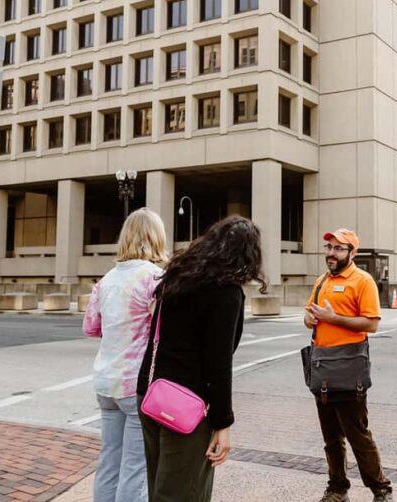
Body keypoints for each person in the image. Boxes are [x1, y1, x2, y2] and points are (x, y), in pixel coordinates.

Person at [136, 216, 266, 502]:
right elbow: (219, 363)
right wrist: (223, 424)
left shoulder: (178, 276)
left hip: (151, 391)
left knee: (160, 486)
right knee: (184, 493)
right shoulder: (226, 292)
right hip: (187, 403)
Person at [83, 208, 169, 502]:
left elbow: (91, 327)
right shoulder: (156, 278)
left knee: (109, 462)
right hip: (136, 384)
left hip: (106, 382)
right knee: (135, 469)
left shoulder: (106, 279)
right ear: (157, 238)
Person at [304, 228, 393, 502]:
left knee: (358, 434)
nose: (331, 253)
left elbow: (372, 323)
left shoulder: (362, 281)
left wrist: (333, 318)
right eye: (328, 247)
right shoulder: (321, 281)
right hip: (322, 368)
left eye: (338, 248)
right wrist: (309, 319)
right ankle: (337, 488)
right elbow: (309, 315)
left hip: (349, 366)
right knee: (331, 437)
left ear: (352, 253)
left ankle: (381, 489)